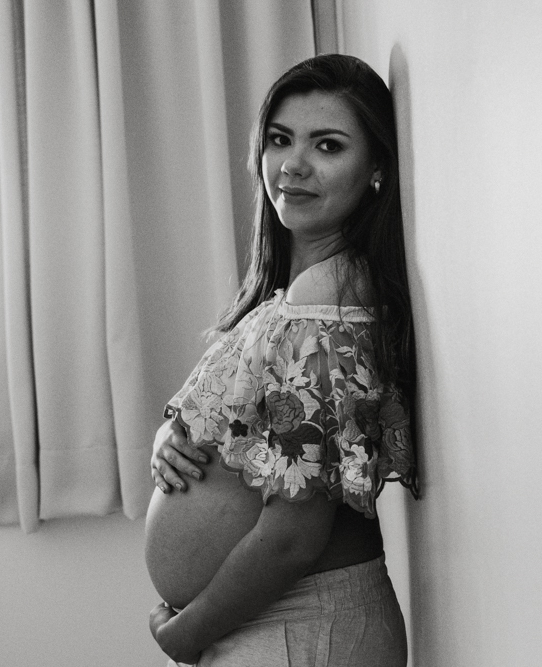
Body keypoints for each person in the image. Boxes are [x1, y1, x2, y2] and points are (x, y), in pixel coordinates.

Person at [145, 53, 418, 667]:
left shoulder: (328, 301)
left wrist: (186, 634)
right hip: (284, 626)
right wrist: (177, 434)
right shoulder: (300, 290)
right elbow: (257, 421)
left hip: (300, 624)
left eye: (328, 145)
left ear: (377, 168)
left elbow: (297, 531)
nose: (292, 165)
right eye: (279, 139)